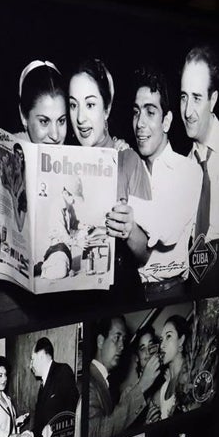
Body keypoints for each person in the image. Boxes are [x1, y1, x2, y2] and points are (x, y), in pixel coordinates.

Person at [67, 58, 155, 292]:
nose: (80, 119)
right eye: (73, 105)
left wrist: (129, 230)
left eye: (90, 105)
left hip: (116, 293)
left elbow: (146, 255)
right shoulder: (62, 161)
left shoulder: (128, 161)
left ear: (107, 108)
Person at [128, 66, 202, 300]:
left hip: (173, 293)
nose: (140, 123)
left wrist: (121, 199)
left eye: (150, 112)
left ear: (167, 121)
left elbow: (165, 230)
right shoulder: (131, 168)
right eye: (136, 112)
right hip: (133, 293)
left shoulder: (189, 170)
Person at [0, 60, 68, 223]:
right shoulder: (1, 157)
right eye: (44, 121)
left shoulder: (78, 157)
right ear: (24, 116)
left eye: (61, 121)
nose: (55, 135)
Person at [180, 45, 219, 247]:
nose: (188, 111)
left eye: (197, 98)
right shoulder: (183, 167)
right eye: (184, 97)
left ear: (213, 100)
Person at [87, 316, 160, 437]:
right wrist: (142, 385)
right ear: (100, 341)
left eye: (123, 340)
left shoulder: (105, 383)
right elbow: (95, 434)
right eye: (117, 338)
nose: (122, 346)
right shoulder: (89, 383)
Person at [29, 337, 79, 437]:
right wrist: (31, 433)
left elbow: (73, 409)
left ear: (41, 355)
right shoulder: (43, 384)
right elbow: (42, 419)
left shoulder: (63, 371)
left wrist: (54, 427)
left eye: (32, 359)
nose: (30, 365)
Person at [153, 314, 191, 420]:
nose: (162, 345)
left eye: (168, 336)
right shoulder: (164, 387)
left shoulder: (190, 378)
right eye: (161, 339)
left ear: (181, 340)